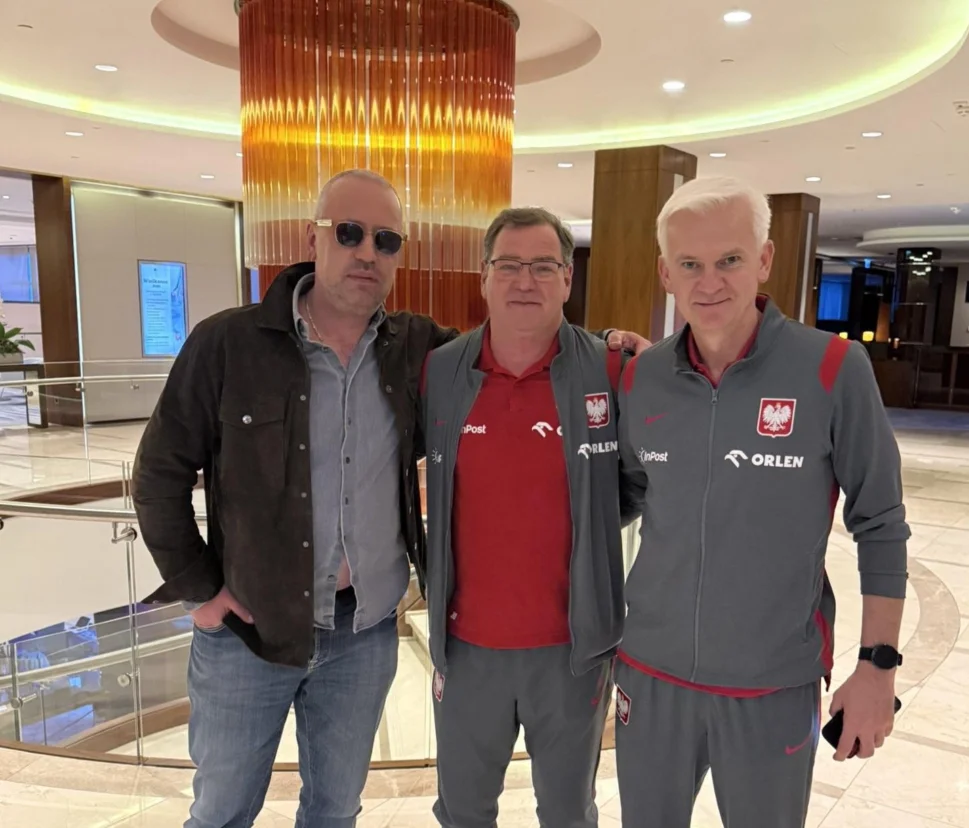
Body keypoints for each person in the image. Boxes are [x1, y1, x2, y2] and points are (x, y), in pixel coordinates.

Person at [132, 169, 462, 828]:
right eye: (349, 232)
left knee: (334, 812)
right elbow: (158, 475)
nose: (367, 252)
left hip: (365, 632)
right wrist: (201, 590)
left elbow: (513, 357)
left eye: (386, 240)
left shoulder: (416, 348)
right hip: (247, 632)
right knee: (222, 813)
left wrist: (612, 353)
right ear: (315, 240)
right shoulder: (228, 344)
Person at [614, 176, 910, 828]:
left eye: (730, 259)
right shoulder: (642, 376)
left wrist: (878, 668)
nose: (710, 282)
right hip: (650, 676)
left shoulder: (831, 369)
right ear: (665, 273)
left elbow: (882, 524)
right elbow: (628, 494)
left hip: (772, 686)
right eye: (690, 264)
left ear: (765, 259)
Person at [420, 207, 647, 828]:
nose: (526, 281)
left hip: (573, 649)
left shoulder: (612, 370)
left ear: (568, 279)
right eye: (510, 266)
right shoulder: (442, 371)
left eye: (544, 266)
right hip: (466, 650)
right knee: (462, 812)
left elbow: (639, 481)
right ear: (484, 275)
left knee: (568, 813)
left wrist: (589, 520)